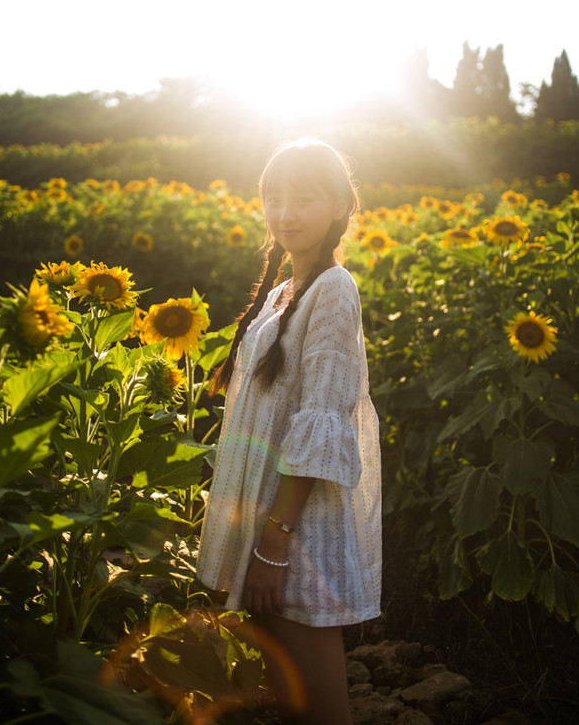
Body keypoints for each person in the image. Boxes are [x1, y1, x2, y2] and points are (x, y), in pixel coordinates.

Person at [197, 138, 382, 725]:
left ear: (340, 206)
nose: (285, 214)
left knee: (320, 710)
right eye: (273, 199)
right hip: (264, 521)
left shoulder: (333, 289)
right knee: (287, 700)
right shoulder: (282, 293)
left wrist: (275, 544)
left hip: (295, 530)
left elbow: (322, 417)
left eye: (304, 199)